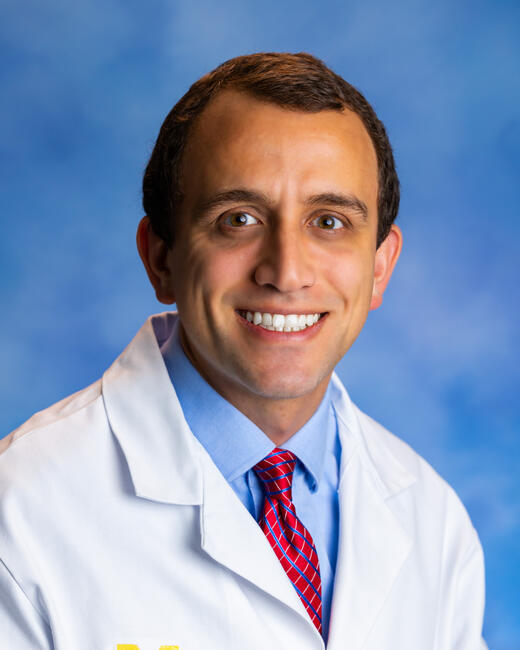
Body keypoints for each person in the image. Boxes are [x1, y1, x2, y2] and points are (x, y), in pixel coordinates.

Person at [0, 52, 486, 649]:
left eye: (329, 222)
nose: (286, 271)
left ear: (380, 268)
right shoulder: (21, 516)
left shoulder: (434, 523)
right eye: (239, 219)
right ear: (161, 258)